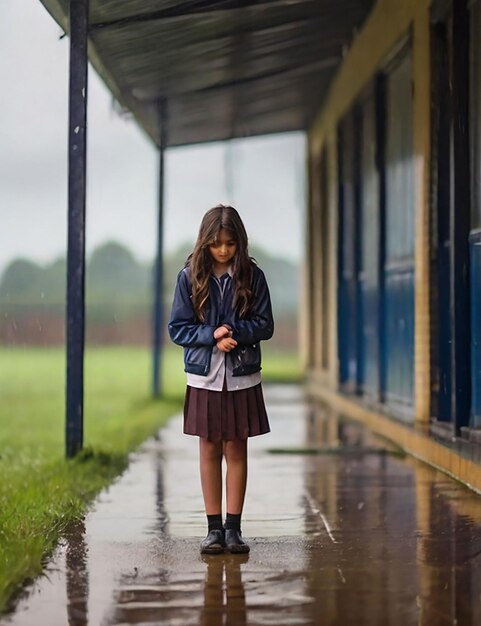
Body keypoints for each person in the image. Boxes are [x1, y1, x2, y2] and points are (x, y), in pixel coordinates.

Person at [168, 205, 274, 555]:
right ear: (205, 243)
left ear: (239, 242)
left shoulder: (252, 277)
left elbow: (265, 324)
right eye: (216, 244)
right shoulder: (189, 278)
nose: (224, 250)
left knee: (236, 449)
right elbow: (177, 328)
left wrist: (234, 332)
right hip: (203, 378)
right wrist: (212, 335)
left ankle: (233, 529)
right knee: (210, 449)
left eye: (230, 243)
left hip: (242, 377)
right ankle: (213, 529)